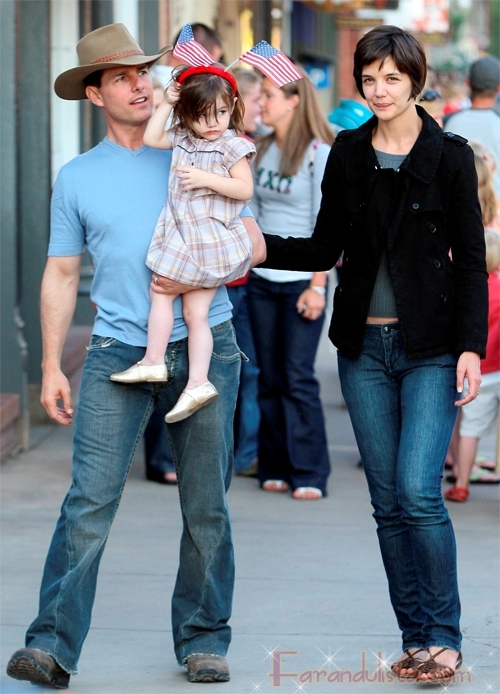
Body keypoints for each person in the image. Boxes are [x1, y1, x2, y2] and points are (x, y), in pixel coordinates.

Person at [6, 23, 265, 688]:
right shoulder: (78, 177)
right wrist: (48, 368)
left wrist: (197, 276)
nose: (141, 83)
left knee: (206, 504)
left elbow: (256, 241)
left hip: (209, 347)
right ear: (95, 94)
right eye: (122, 77)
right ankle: (52, 646)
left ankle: (204, 638)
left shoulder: (197, 144)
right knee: (88, 503)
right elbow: (62, 273)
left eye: (144, 72)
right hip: (117, 352)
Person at [259, 25, 487, 680]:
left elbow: (471, 264)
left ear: (416, 80)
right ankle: (416, 637)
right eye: (370, 78)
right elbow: (324, 246)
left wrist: (471, 345)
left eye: (392, 77)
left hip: (432, 349)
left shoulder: (449, 157)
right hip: (364, 348)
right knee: (387, 501)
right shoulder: (350, 154)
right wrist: (257, 246)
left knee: (419, 491)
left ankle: (445, 634)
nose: (380, 89)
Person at [110, 65, 256, 426]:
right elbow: (152, 138)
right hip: (184, 235)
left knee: (177, 302)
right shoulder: (184, 139)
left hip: (209, 238)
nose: (213, 123)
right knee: (180, 306)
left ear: (232, 106)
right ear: (187, 116)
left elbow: (245, 189)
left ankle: (174, 370)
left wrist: (205, 178)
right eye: (203, 116)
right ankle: (177, 372)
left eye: (221, 113)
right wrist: (166, 102)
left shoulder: (231, 145)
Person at [248, 67, 335, 500]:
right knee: (268, 376)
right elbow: (251, 214)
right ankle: (274, 463)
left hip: (303, 279)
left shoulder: (319, 154)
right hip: (261, 279)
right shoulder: (259, 149)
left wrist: (318, 286)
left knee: (298, 375)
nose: (261, 102)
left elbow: (327, 226)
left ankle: (310, 471)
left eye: (267, 94)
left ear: (293, 99)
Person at [444, 167, 500, 501]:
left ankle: (460, 480)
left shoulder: (468, 289)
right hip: (496, 368)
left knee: (468, 428)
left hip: (478, 368)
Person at [226, 69, 263, 476]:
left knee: (244, 370)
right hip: (226, 282)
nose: (261, 108)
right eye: (256, 100)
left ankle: (244, 451)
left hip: (243, 279)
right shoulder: (236, 149)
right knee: (242, 371)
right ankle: (243, 453)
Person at [445, 55, 500, 196]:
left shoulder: (448, 122)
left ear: (468, 83)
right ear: (498, 87)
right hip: (494, 210)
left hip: (457, 210)